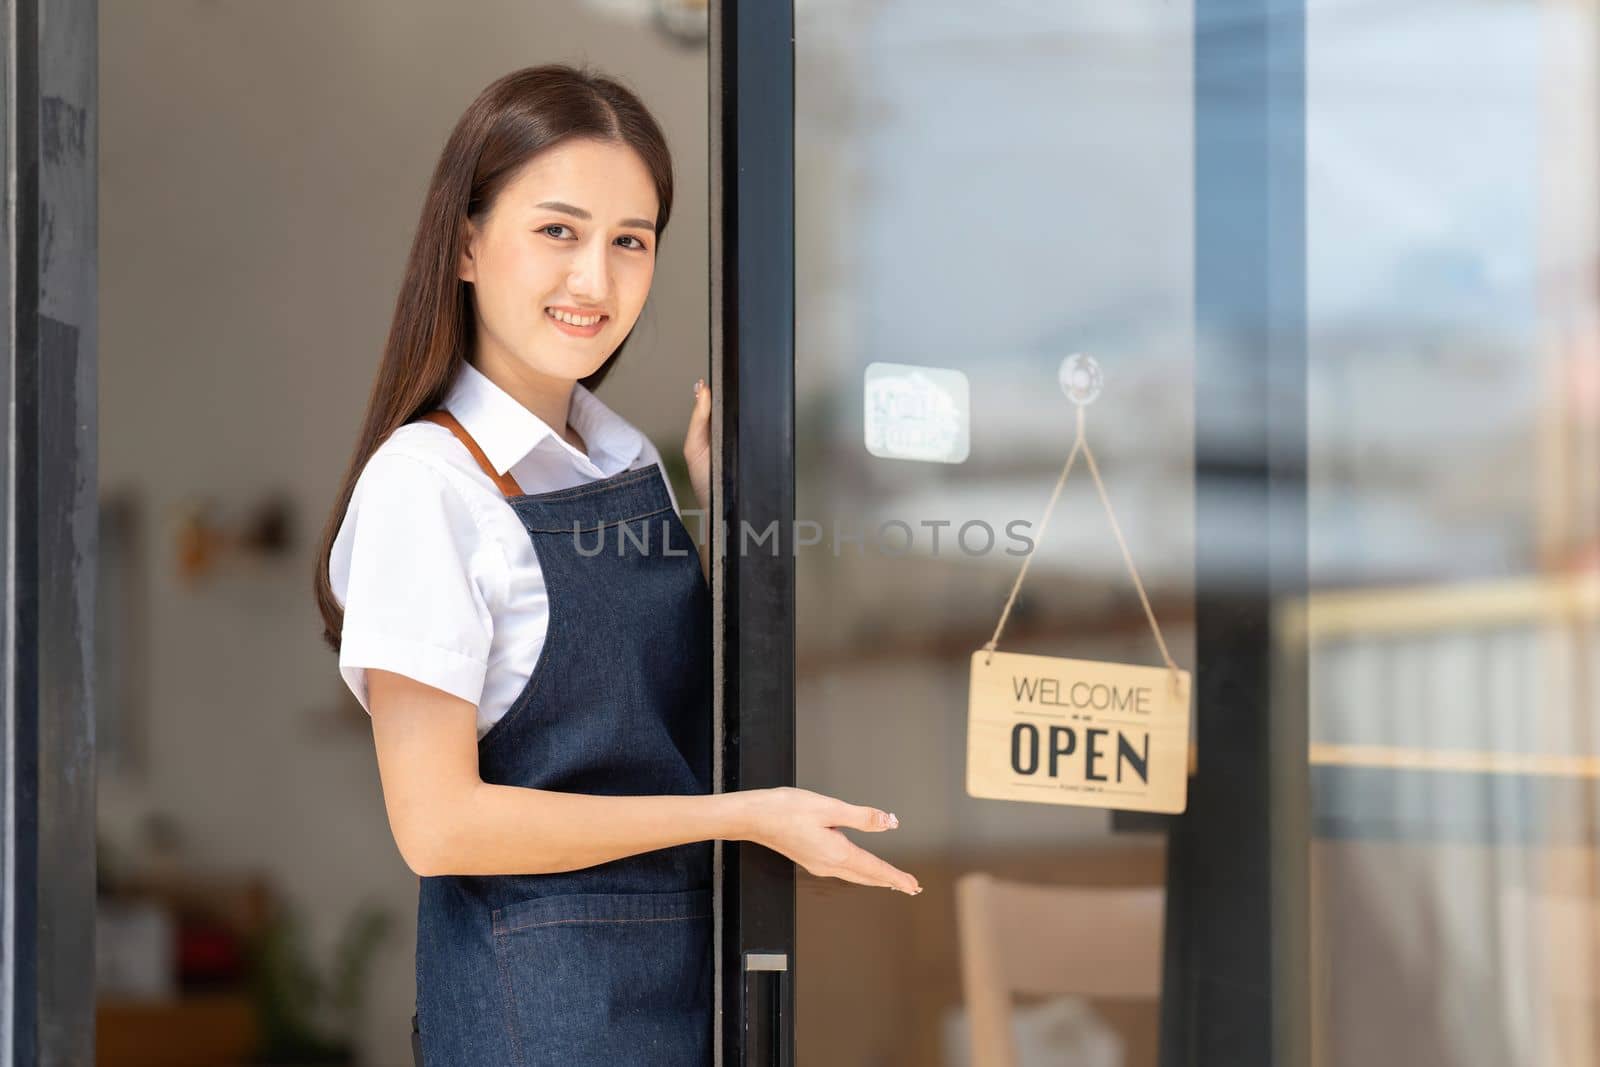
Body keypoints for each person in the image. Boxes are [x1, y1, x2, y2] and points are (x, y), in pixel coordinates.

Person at [311, 64, 920, 1067]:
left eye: (629, 241)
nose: (596, 280)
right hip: (539, 1020)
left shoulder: (626, 458)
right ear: (465, 243)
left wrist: (727, 518)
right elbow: (438, 824)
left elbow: (668, 717)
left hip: (683, 995)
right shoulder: (428, 484)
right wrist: (739, 817)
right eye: (559, 231)